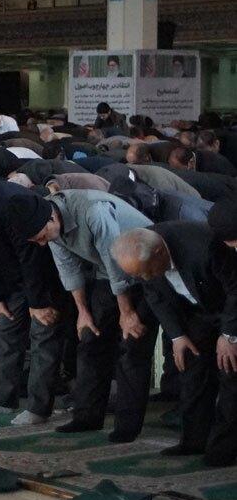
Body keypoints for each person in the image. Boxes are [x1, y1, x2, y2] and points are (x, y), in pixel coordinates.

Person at [31, 189, 157, 441]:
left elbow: (117, 263)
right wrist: (83, 313)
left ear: (52, 218)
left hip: (143, 270)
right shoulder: (45, 221)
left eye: (42, 236)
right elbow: (69, 269)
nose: (42, 242)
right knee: (90, 340)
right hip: (105, 274)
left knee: (131, 346)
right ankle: (86, 416)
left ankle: (127, 426)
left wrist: (127, 312)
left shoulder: (94, 212)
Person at [113, 223, 236, 466]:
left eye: (147, 272)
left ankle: (224, 449)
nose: (145, 278)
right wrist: (177, 336)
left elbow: (235, 289)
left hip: (229, 310)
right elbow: (155, 296)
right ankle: (193, 441)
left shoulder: (203, 246)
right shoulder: (143, 252)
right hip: (197, 311)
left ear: (160, 252)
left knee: (230, 369)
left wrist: (230, 335)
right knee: (192, 366)